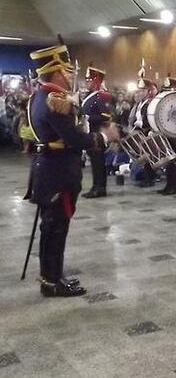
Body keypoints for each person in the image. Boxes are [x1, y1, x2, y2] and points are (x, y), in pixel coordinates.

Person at [27, 43, 119, 297]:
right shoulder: (55, 100)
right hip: (58, 172)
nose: (70, 76)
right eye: (66, 71)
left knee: (51, 227)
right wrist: (105, 138)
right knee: (56, 228)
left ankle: (51, 276)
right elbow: (77, 140)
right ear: (56, 73)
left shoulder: (38, 96)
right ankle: (52, 281)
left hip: (48, 169)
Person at [81, 65, 113, 198]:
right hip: (90, 134)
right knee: (94, 163)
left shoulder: (101, 97)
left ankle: (100, 188)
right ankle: (95, 186)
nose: (87, 82)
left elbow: (106, 116)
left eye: (90, 80)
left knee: (98, 163)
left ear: (96, 81)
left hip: (98, 134)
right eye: (87, 80)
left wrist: (89, 117)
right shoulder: (90, 97)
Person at [156, 74, 176, 196]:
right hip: (166, 133)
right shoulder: (166, 102)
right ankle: (169, 184)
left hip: (175, 134)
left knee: (174, 161)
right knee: (168, 160)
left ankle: (174, 186)